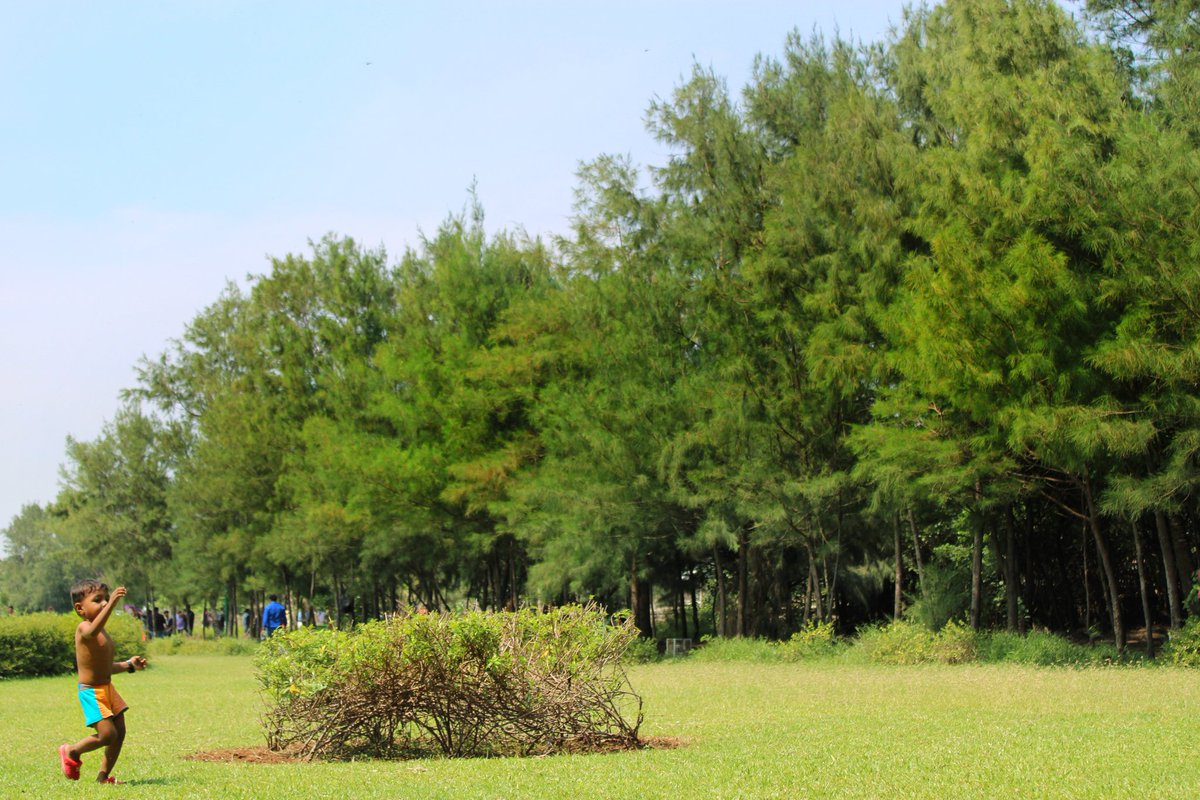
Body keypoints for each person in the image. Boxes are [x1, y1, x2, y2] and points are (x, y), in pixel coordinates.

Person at [57, 579, 147, 784]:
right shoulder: (84, 628)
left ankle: (103, 777)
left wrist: (129, 665)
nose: (105, 603)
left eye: (106, 599)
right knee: (107, 734)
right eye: (98, 600)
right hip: (91, 692)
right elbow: (92, 631)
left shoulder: (103, 632)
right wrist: (114, 601)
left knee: (120, 732)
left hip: (107, 688)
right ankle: (72, 751)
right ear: (80, 608)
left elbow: (106, 668)